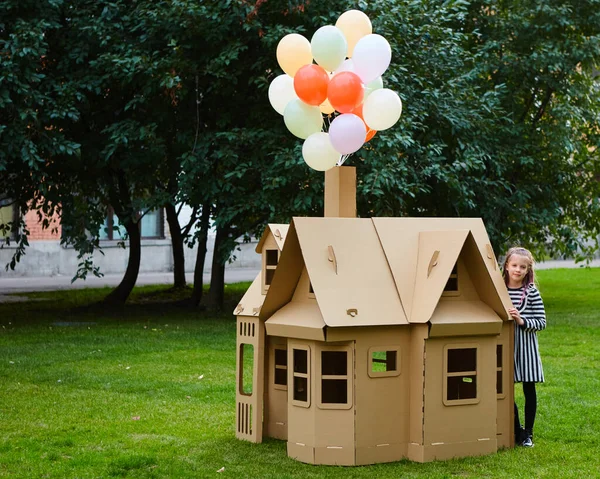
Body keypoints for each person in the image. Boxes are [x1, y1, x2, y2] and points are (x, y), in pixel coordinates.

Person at [503, 247, 546, 448]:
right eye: (514, 265)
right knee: (505, 387)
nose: (517, 270)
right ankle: (516, 429)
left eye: (522, 267)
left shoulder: (531, 292)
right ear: (506, 266)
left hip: (526, 347)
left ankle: (528, 433)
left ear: (528, 269)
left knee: (529, 389)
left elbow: (541, 322)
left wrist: (522, 320)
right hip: (505, 346)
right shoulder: (498, 289)